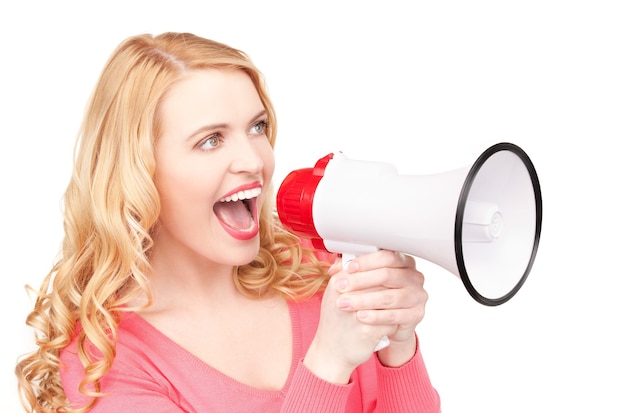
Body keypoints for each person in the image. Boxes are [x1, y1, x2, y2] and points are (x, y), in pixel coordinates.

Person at [15, 32, 440, 413]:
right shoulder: (109, 364)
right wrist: (328, 362)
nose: (255, 160)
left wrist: (397, 350)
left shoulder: (315, 275)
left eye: (257, 127)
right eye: (211, 140)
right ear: (138, 172)